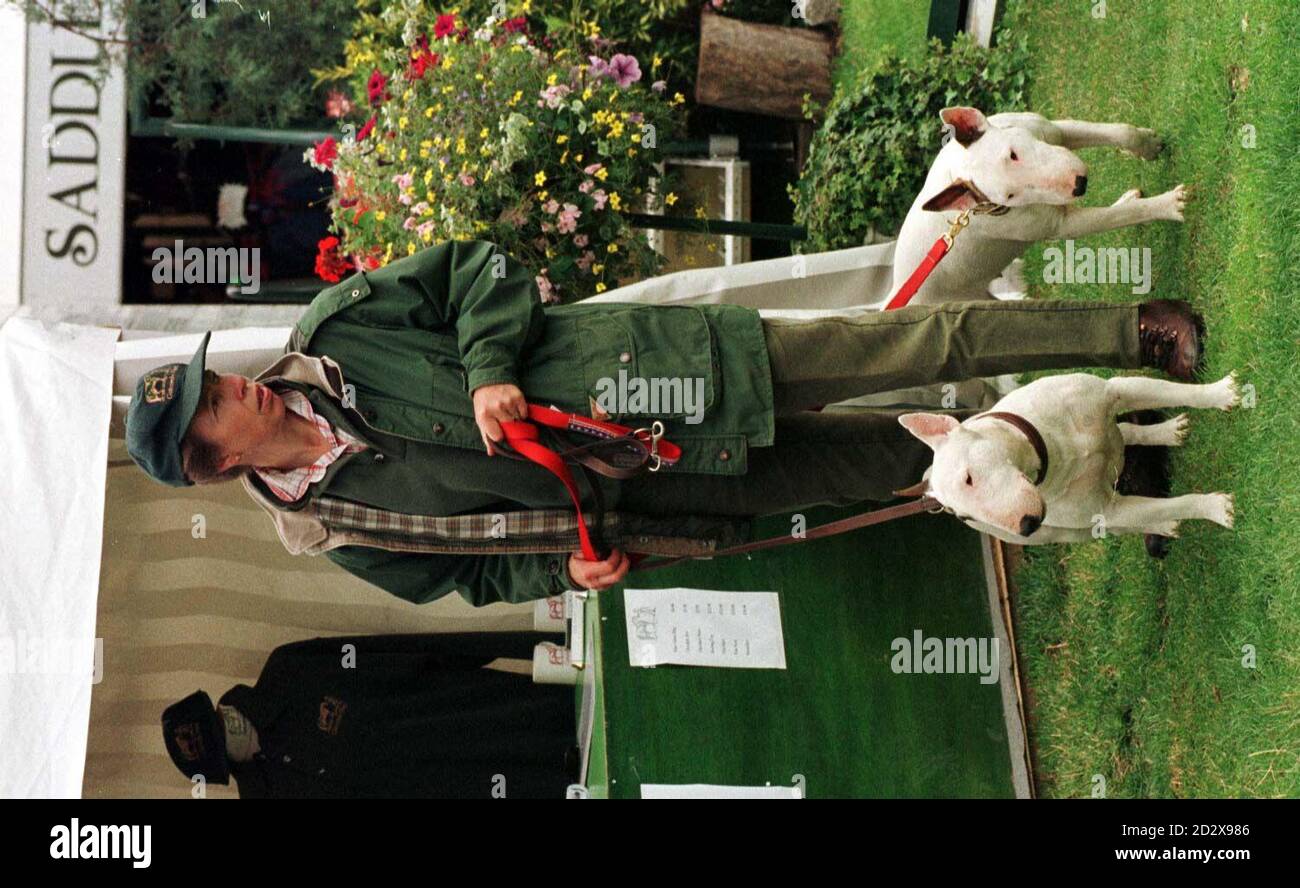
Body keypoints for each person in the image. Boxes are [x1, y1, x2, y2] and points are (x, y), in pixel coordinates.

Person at [125, 240, 1204, 606]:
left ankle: (1131, 331)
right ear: (217, 467)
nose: (245, 389)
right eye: (221, 407)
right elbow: (473, 580)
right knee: (898, 465)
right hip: (667, 491)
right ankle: (1119, 471)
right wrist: (567, 577)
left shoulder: (338, 327)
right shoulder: (343, 534)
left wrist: (492, 367)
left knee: (909, 349)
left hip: (661, 373)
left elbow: (484, 268)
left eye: (219, 378)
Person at [161, 632, 577, 798]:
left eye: (218, 714)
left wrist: (527, 644)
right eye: (219, 736)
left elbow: (389, 648)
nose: (229, 720)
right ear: (223, 764)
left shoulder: (286, 670)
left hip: (471, 713)